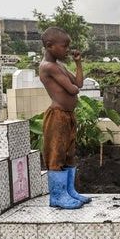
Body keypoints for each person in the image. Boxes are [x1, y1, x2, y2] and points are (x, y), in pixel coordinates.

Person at [38, 27, 90, 209]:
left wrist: (78, 64)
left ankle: (69, 191)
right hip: (57, 116)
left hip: (68, 115)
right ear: (49, 46)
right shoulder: (48, 67)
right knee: (56, 154)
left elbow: (79, 83)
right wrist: (74, 86)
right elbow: (73, 89)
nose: (68, 50)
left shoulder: (59, 66)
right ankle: (57, 196)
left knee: (69, 154)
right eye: (64, 46)